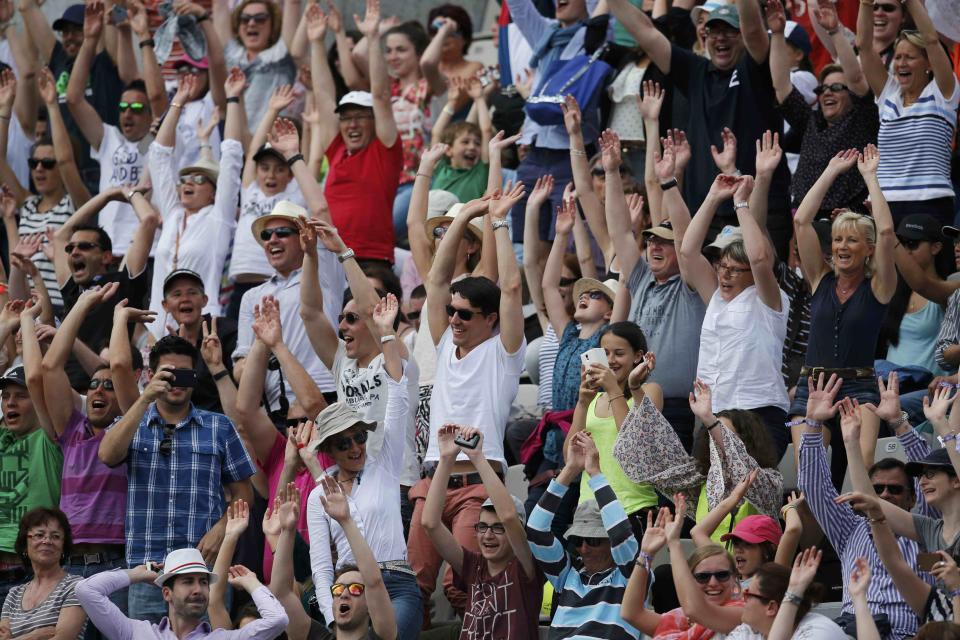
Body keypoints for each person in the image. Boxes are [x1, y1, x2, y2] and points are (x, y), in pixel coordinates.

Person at [406, 186, 526, 617]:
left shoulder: (504, 354)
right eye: (452, 311)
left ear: (489, 319)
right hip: (432, 483)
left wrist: (497, 222)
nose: (453, 319)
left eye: (465, 314)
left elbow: (510, 286)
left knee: (467, 589)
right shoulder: (443, 348)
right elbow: (437, 281)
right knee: (410, 588)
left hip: (479, 487)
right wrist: (463, 216)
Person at [610, 0, 793, 256]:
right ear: (704, 37)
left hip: (759, 211)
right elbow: (647, 32)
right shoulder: (695, 71)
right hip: (705, 214)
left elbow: (753, 30)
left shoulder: (755, 68)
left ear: (741, 36)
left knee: (765, 292)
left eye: (729, 31)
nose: (721, 38)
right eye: (714, 31)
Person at [97, 336, 256, 623]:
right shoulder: (134, 422)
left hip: (202, 572)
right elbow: (107, 455)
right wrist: (145, 397)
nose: (177, 381)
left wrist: (222, 529)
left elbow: (244, 493)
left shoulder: (219, 426)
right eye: (168, 373)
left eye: (185, 374)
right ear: (150, 375)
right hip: (148, 573)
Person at [304, 294, 422, 640]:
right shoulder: (318, 496)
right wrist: (331, 621)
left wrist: (386, 334)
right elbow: (322, 570)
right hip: (347, 591)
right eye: (344, 443)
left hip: (396, 583)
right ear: (329, 450)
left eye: (359, 437)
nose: (356, 447)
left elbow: (399, 395)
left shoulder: (384, 464)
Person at [789, 146, 897, 473]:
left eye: (851, 240)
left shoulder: (879, 286)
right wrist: (831, 171)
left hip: (860, 387)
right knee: (810, 472)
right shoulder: (820, 279)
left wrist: (870, 178)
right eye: (837, 240)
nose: (841, 247)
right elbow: (802, 220)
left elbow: (888, 232)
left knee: (861, 470)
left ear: (869, 249)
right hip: (814, 384)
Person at [798, 375, 929, 639]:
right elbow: (815, 487)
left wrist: (898, 423)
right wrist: (813, 424)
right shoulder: (850, 530)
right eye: (877, 489)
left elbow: (932, 476)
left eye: (895, 489)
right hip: (852, 630)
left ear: (913, 498)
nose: (884, 495)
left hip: (905, 634)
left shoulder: (926, 530)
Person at [603, 130, 705, 450]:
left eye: (664, 241)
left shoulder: (691, 284)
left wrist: (670, 182)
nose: (654, 247)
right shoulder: (641, 277)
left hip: (677, 409)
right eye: (650, 240)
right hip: (630, 401)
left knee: (672, 498)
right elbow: (619, 230)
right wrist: (611, 173)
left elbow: (688, 243)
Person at [679, 171, 791, 454]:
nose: (724, 275)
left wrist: (741, 204)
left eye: (734, 269)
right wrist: (714, 197)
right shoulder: (716, 295)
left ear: (752, 274)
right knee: (712, 494)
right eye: (721, 266)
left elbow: (759, 258)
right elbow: (689, 252)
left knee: (751, 492)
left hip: (758, 414)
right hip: (712, 413)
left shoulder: (767, 298)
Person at [38, 283, 130, 624]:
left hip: (117, 563)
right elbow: (50, 368)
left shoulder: (129, 430)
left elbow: (120, 367)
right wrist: (81, 304)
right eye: (93, 385)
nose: (99, 391)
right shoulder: (71, 428)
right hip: (72, 564)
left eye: (109, 386)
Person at [145, 70, 244, 338]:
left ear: (214, 193)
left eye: (199, 178)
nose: (189, 182)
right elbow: (158, 157)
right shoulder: (174, 215)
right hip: (158, 330)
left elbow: (232, 157)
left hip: (203, 331)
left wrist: (232, 100)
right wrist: (177, 102)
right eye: (185, 177)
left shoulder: (218, 219)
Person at [421, 425, 544, 639]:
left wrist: (477, 457)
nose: (487, 535)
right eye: (483, 527)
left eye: (498, 529)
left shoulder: (525, 567)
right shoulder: (473, 567)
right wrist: (446, 459)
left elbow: (507, 516)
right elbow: (430, 523)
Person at [505, 0, 609, 246]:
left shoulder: (597, 35)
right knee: (528, 245)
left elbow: (600, 15)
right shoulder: (546, 33)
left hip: (572, 155)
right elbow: (519, 8)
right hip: (533, 154)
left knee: (566, 248)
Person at [231, 200, 345, 417]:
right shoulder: (251, 297)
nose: (272, 239)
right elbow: (241, 370)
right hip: (277, 407)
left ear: (303, 235)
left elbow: (320, 208)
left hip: (326, 393)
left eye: (282, 232)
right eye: (267, 235)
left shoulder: (325, 273)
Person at [309, 0, 402, 265]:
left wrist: (372, 39)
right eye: (346, 118)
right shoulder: (337, 147)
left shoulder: (384, 151)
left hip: (370, 259)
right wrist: (316, 42)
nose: (351, 125)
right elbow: (324, 95)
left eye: (360, 117)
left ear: (375, 121)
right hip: (328, 256)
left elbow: (382, 96)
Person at [768, 0, 878, 215]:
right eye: (823, 89)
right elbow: (781, 86)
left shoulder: (863, 119)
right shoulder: (811, 122)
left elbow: (855, 77)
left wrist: (835, 31)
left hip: (846, 223)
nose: (827, 92)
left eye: (837, 87)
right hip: (801, 219)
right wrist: (778, 35)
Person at [527, 431, 639, 638]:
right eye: (578, 541)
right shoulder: (567, 574)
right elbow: (535, 530)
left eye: (594, 540)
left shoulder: (632, 575)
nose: (584, 549)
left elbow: (621, 532)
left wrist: (595, 473)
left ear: (611, 542)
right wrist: (570, 470)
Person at [858, 0, 959, 225]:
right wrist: (865, 4)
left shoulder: (943, 93)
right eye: (898, 57)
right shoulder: (888, 95)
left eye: (910, 57)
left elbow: (932, 41)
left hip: (930, 203)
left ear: (928, 63)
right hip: (884, 203)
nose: (901, 63)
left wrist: (911, 2)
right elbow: (864, 46)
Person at [65, 1, 152, 257]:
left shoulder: (156, 140)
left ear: (150, 114)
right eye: (123, 106)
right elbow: (73, 99)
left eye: (137, 107)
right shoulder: (110, 138)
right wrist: (91, 40)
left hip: (145, 250)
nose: (127, 112)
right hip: (106, 252)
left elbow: (157, 96)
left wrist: (142, 35)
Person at [75, 547, 288, 639]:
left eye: (203, 582)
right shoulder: (136, 633)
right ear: (166, 593)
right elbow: (86, 590)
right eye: (188, 582)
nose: (198, 590)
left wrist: (252, 583)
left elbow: (278, 620)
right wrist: (136, 574)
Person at [0, 363, 62, 604]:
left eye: (21, 396)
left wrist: (25, 322)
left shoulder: (50, 438)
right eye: (5, 397)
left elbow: (38, 379)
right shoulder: (3, 438)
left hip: (30, 571)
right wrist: (7, 325)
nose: (10, 403)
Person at [158, 270, 239, 412]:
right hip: (188, 425)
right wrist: (182, 361)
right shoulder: (168, 345)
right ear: (165, 305)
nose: (185, 299)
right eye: (177, 294)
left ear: (204, 300)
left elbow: (245, 392)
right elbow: (176, 402)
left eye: (192, 293)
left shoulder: (228, 331)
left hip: (230, 422)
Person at [0, 508, 86, 639]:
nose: (47, 541)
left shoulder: (76, 586)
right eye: (39, 535)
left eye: (55, 536)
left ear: (63, 546)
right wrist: (35, 635)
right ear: (25, 545)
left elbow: (63, 638)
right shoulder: (14, 594)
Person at [213, 0, 298, 133]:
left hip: (272, 145)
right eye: (245, 19)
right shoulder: (230, 54)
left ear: (273, 24)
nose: (251, 23)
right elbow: (219, 5)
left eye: (260, 19)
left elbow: (293, 3)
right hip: (235, 143)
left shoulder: (281, 54)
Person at [731, 551, 847, 639]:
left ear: (771, 607)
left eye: (748, 594)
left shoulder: (817, 633)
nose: (742, 597)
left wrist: (794, 592)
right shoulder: (750, 630)